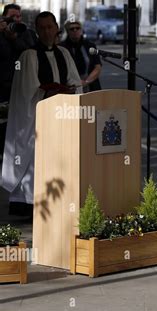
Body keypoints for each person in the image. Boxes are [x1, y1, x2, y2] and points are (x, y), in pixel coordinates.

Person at [1, 11, 82, 217]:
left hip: (62, 118)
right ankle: (31, 204)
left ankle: (60, 201)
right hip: (37, 122)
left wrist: (70, 92)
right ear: (36, 31)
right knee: (36, 160)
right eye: (42, 28)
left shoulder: (64, 54)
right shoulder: (29, 56)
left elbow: (75, 82)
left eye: (50, 27)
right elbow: (25, 93)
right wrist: (48, 92)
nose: (47, 31)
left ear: (56, 28)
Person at [0, 3, 37, 102]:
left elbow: (30, 53)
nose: (16, 19)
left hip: (24, 84)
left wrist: (14, 39)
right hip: (3, 86)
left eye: (18, 16)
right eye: (12, 17)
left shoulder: (27, 33)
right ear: (4, 18)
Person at [60, 20, 102, 92]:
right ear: (67, 31)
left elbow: (97, 67)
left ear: (81, 30)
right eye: (72, 29)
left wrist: (86, 82)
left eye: (77, 28)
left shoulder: (90, 45)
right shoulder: (62, 48)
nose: (75, 30)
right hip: (70, 86)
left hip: (90, 86)